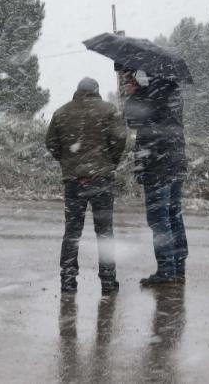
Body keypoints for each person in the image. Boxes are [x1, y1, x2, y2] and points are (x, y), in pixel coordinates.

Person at [46, 77, 127, 294]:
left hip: (74, 182)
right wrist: (110, 162)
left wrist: (67, 161)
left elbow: (51, 142)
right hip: (101, 180)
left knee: (72, 232)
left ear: (78, 90)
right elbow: (120, 139)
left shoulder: (62, 112)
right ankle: (108, 282)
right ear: (97, 91)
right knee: (105, 233)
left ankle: (68, 280)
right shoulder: (109, 110)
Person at [116, 63, 189, 286]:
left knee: (159, 220)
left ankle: (166, 271)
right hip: (175, 162)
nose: (128, 81)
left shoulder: (151, 94)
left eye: (129, 77)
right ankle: (178, 268)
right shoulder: (172, 90)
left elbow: (133, 121)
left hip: (158, 164)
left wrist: (131, 95)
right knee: (174, 216)